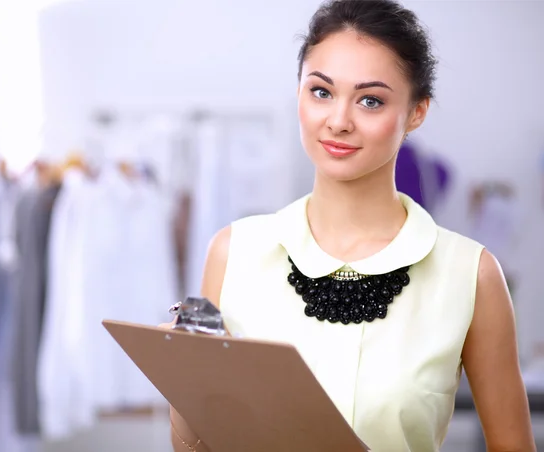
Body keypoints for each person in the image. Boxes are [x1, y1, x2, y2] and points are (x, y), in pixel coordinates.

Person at [161, 0, 536, 450]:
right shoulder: (234, 252)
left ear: (416, 112)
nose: (338, 121)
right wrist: (182, 374)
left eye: (370, 100)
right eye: (321, 91)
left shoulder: (471, 274)